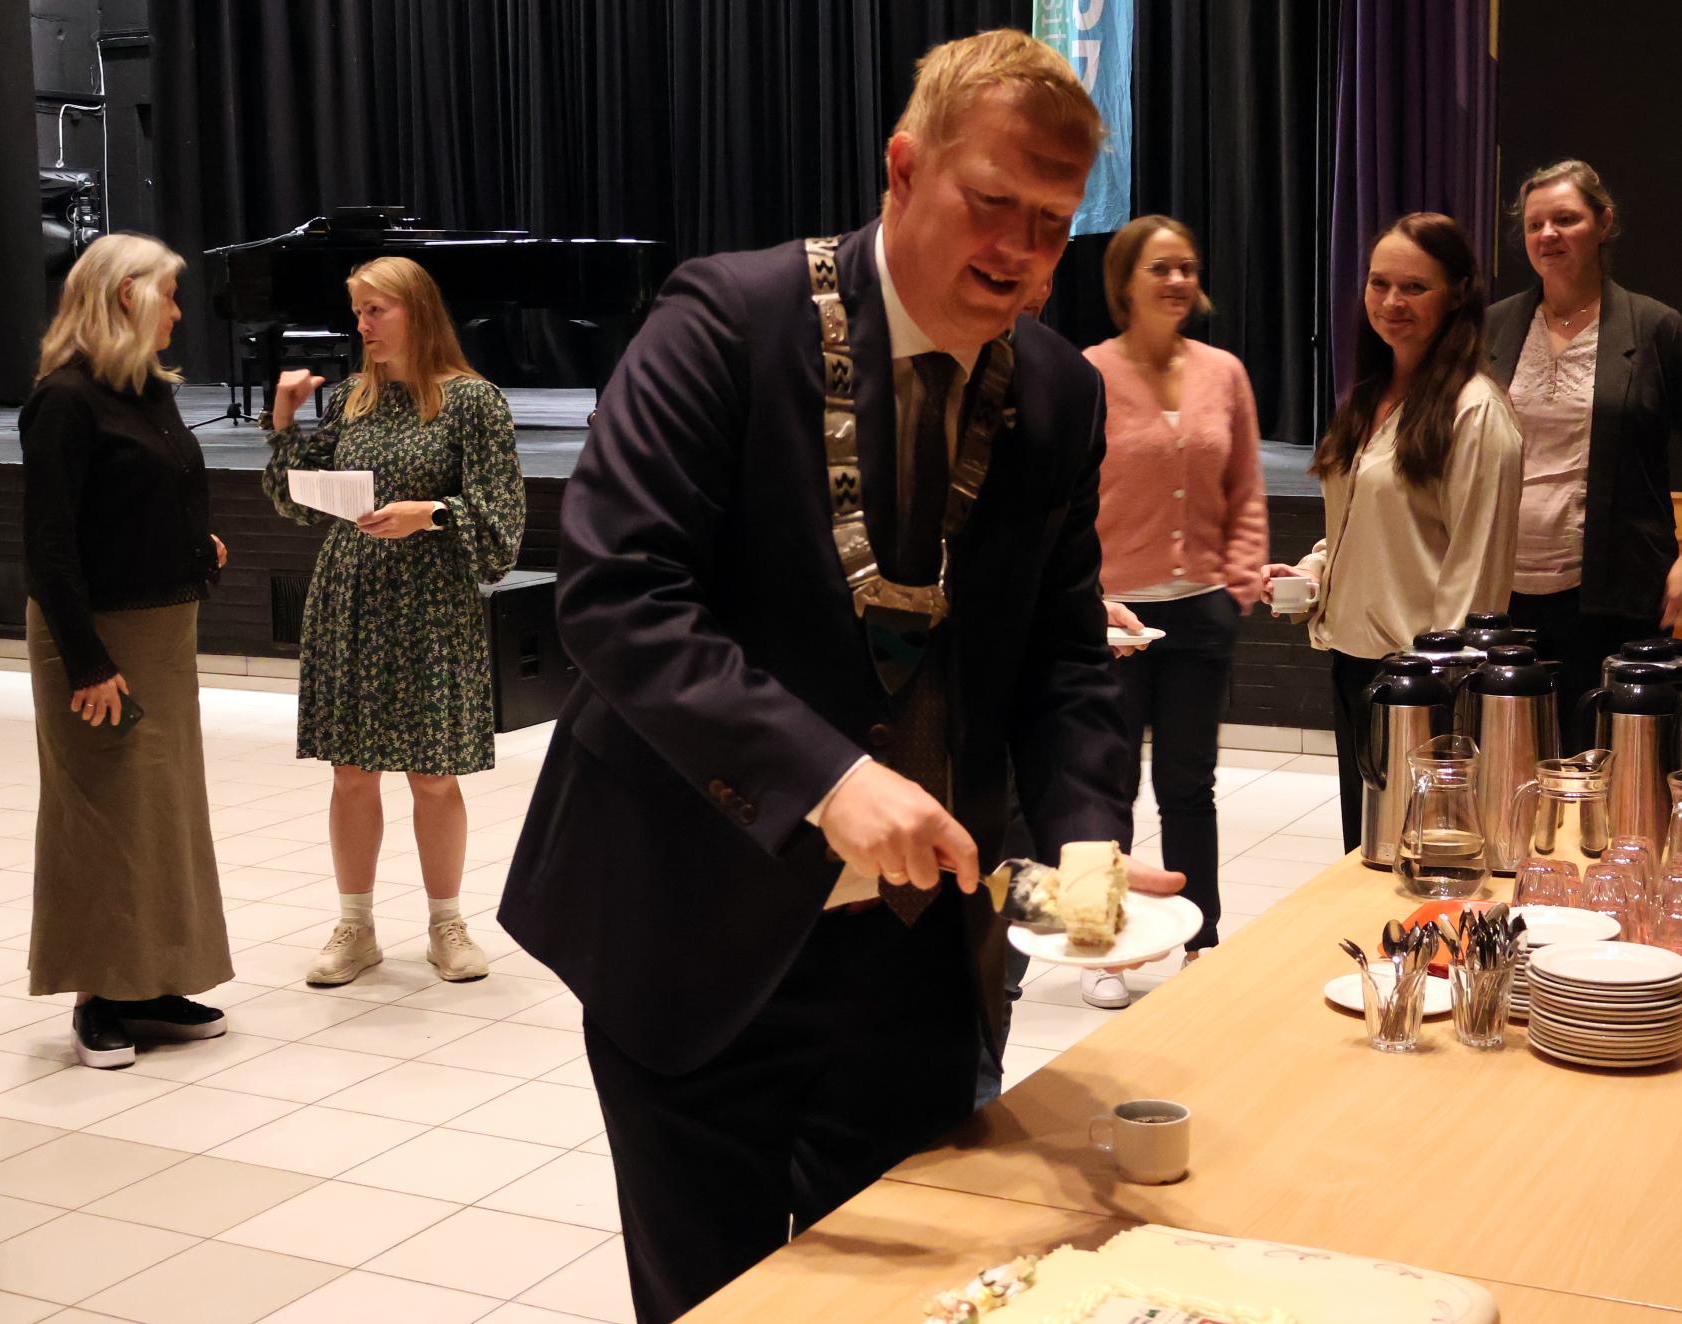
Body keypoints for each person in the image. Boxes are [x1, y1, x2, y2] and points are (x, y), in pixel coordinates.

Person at [498, 30, 1182, 1322]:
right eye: (993, 203)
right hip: (697, 924)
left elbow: (1060, 648)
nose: (1022, 254)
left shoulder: (1054, 387)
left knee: (922, 1285)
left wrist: (1090, 833)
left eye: (1052, 223)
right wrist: (826, 778)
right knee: (723, 1299)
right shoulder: (727, 320)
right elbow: (617, 593)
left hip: (919, 957)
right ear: (903, 166)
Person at [262, 256, 525, 986]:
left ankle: (447, 923)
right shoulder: (350, 399)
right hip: (351, 599)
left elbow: (503, 527)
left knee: (433, 776)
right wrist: (282, 423)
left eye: (377, 309)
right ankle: (357, 925)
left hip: (432, 608)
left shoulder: (473, 403)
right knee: (352, 775)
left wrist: (431, 513)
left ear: (417, 311)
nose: (363, 325)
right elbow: (294, 502)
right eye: (358, 311)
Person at [20, 233, 232, 1069]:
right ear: (123, 296)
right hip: (96, 637)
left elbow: (149, 497)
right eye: (169, 296)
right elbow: (49, 548)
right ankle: (96, 993)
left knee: (163, 812)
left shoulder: (149, 391)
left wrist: (194, 545)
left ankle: (150, 979)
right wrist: (87, 662)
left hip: (163, 629)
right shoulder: (64, 401)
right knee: (101, 816)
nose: (180, 312)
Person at [1259, 213, 1523, 853]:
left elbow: (1477, 572)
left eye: (1414, 287)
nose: (1391, 302)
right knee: (1367, 852)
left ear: (1458, 292)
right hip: (1355, 667)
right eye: (1380, 284)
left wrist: (1437, 685)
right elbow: (1361, 528)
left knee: (1421, 861)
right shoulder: (1367, 398)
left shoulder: (1476, 410)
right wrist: (1313, 573)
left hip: (1424, 683)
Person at [1080, 215, 1268, 1007]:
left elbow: (1246, 486)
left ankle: (1202, 942)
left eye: (1188, 267)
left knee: (1190, 787)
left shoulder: (1223, 372)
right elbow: (1064, 502)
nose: (1178, 281)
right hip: (1111, 619)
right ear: (1125, 281)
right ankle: (1103, 948)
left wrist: (1239, 575)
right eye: (1160, 268)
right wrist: (1085, 596)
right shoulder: (1086, 373)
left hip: (1198, 615)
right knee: (1101, 786)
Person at [1483, 160, 1682, 744]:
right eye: (1535, 224)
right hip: (1505, 593)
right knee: (1515, 768)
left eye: (1565, 220)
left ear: (1603, 224)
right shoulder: (1493, 328)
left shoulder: (1654, 328)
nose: (1548, 235)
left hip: (1614, 593)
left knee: (1604, 769)